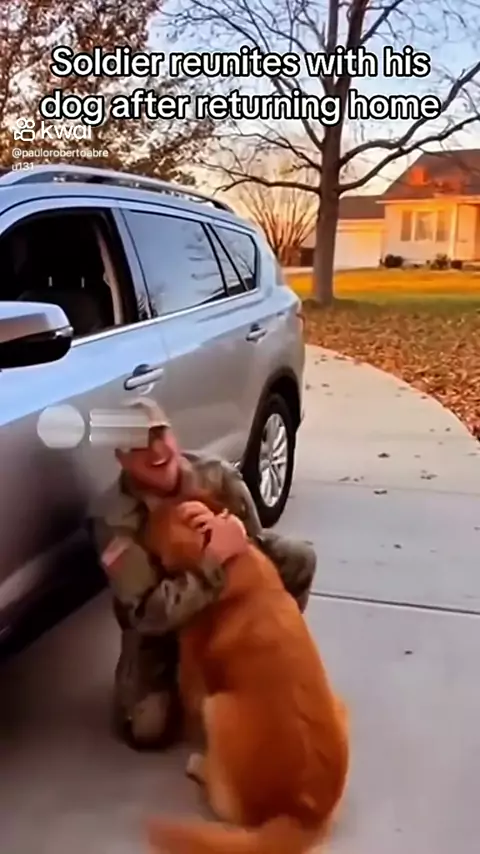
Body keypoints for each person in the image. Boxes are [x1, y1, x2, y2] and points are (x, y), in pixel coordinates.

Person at [90, 397, 317, 750]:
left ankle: (259, 660)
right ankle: (171, 677)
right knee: (149, 728)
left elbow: (254, 553)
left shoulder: (216, 474)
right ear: (121, 458)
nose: (155, 451)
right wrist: (213, 558)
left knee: (297, 558)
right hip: (162, 629)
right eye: (137, 445)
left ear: (173, 434)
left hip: (223, 605)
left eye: (159, 435)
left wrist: (233, 537)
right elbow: (147, 615)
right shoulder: (113, 520)